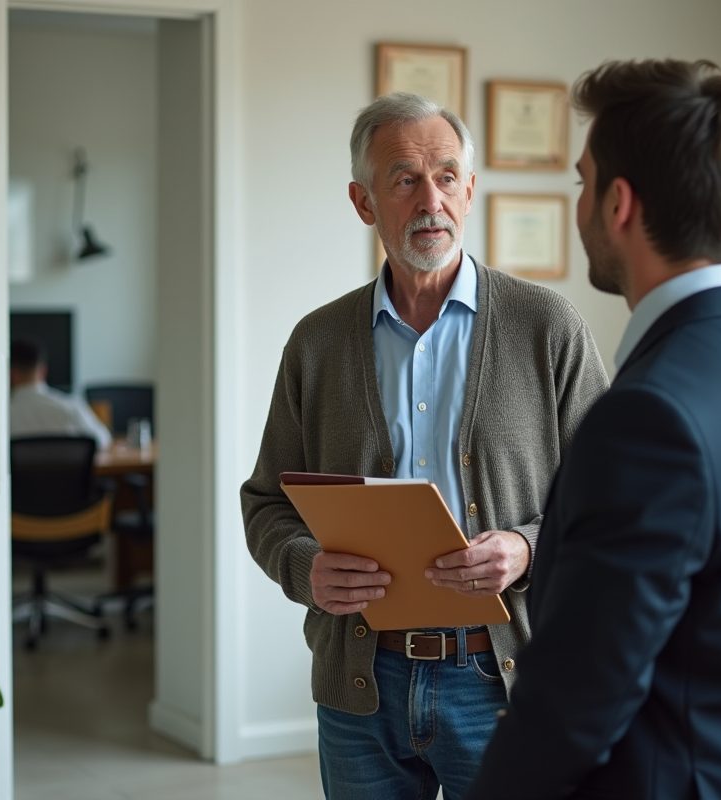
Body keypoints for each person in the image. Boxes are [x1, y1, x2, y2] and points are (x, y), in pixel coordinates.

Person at [466, 60, 721, 800]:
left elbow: (575, 704)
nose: (578, 206)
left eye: (582, 182)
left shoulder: (650, 418)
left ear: (619, 203)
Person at [240, 92, 608, 800]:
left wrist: (529, 548)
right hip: (360, 685)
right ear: (363, 201)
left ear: (469, 190)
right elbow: (266, 505)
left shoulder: (548, 327)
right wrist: (303, 565)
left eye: (446, 175)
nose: (429, 198)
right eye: (404, 178)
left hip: (503, 684)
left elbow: (613, 507)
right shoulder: (316, 344)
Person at [9, 337, 112, 450]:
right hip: (68, 468)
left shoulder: (2, 414)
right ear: (43, 371)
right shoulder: (70, 406)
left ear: (11, 373)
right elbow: (102, 440)